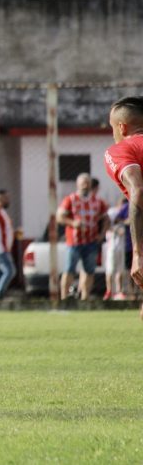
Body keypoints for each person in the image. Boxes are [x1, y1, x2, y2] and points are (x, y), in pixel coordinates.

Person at [104, 96, 143, 317]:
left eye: (112, 128)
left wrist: (138, 253)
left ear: (122, 127)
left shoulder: (120, 150)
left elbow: (138, 190)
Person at [56, 173, 108, 301]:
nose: (85, 186)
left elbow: (106, 219)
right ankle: (64, 298)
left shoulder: (98, 201)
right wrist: (73, 223)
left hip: (91, 242)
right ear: (77, 184)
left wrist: (102, 234)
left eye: (87, 183)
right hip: (73, 242)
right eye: (82, 183)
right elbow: (59, 217)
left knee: (89, 271)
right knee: (69, 269)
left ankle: (85, 298)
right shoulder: (70, 200)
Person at [104, 197, 128, 300]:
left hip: (121, 246)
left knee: (120, 269)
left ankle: (119, 291)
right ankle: (109, 290)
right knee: (110, 269)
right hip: (111, 245)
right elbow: (106, 225)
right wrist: (116, 230)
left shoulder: (126, 213)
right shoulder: (112, 212)